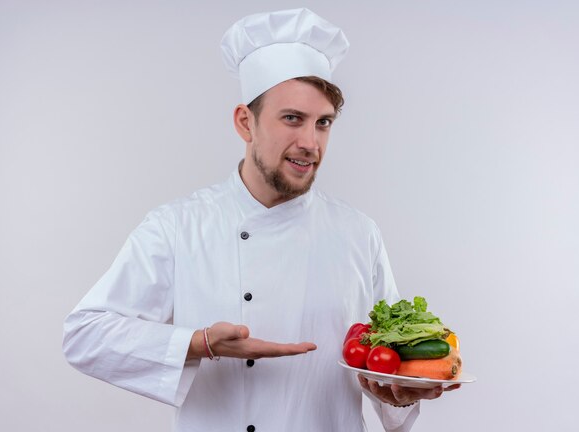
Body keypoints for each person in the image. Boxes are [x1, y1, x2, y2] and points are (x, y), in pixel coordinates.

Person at [63, 8, 456, 432]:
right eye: (292, 119)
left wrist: (395, 392)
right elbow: (85, 335)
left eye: (323, 123)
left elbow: (388, 380)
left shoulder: (358, 233)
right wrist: (201, 343)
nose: (310, 143)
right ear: (244, 122)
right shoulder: (179, 226)